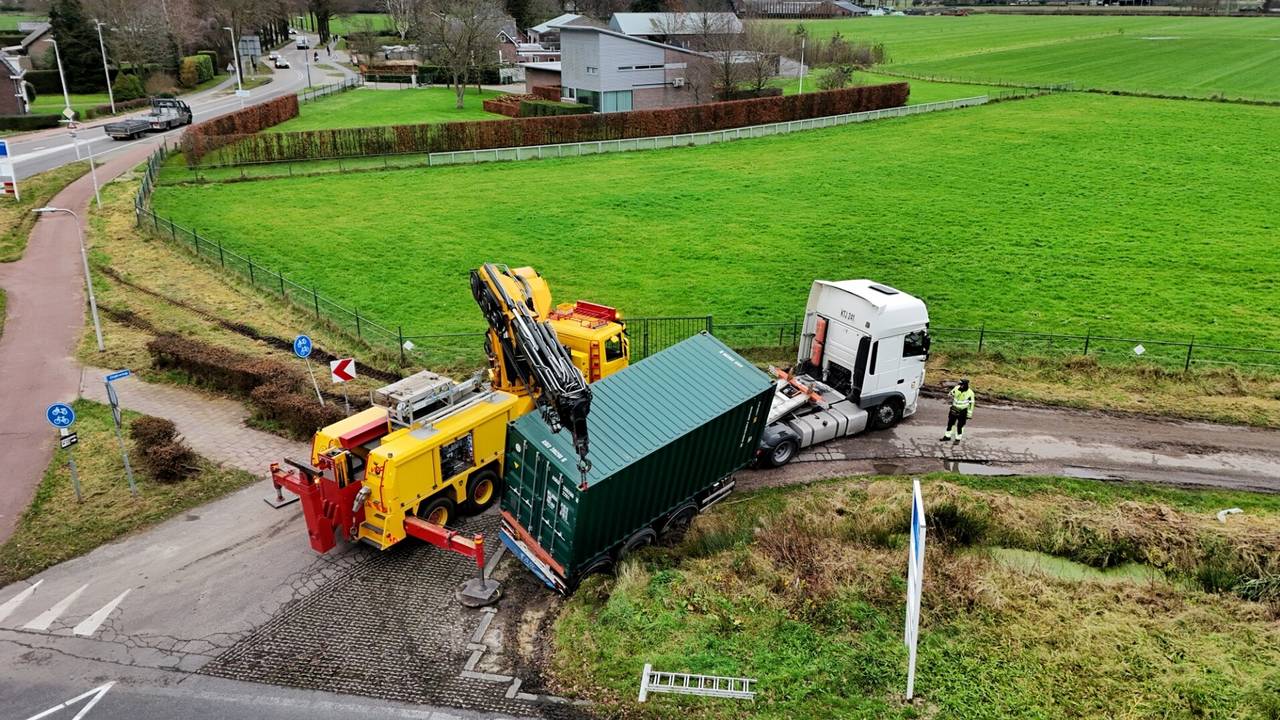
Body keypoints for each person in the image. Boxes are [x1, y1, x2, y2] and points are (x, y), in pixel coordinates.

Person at [941, 378, 974, 444]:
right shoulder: (956, 388)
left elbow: (971, 404)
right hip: (954, 409)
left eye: (962, 385)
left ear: (965, 385)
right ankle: (947, 436)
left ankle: (957, 439)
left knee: (960, 426)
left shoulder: (970, 393)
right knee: (950, 423)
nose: (960, 386)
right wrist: (950, 395)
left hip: (963, 411)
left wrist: (969, 414)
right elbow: (951, 393)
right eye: (960, 384)